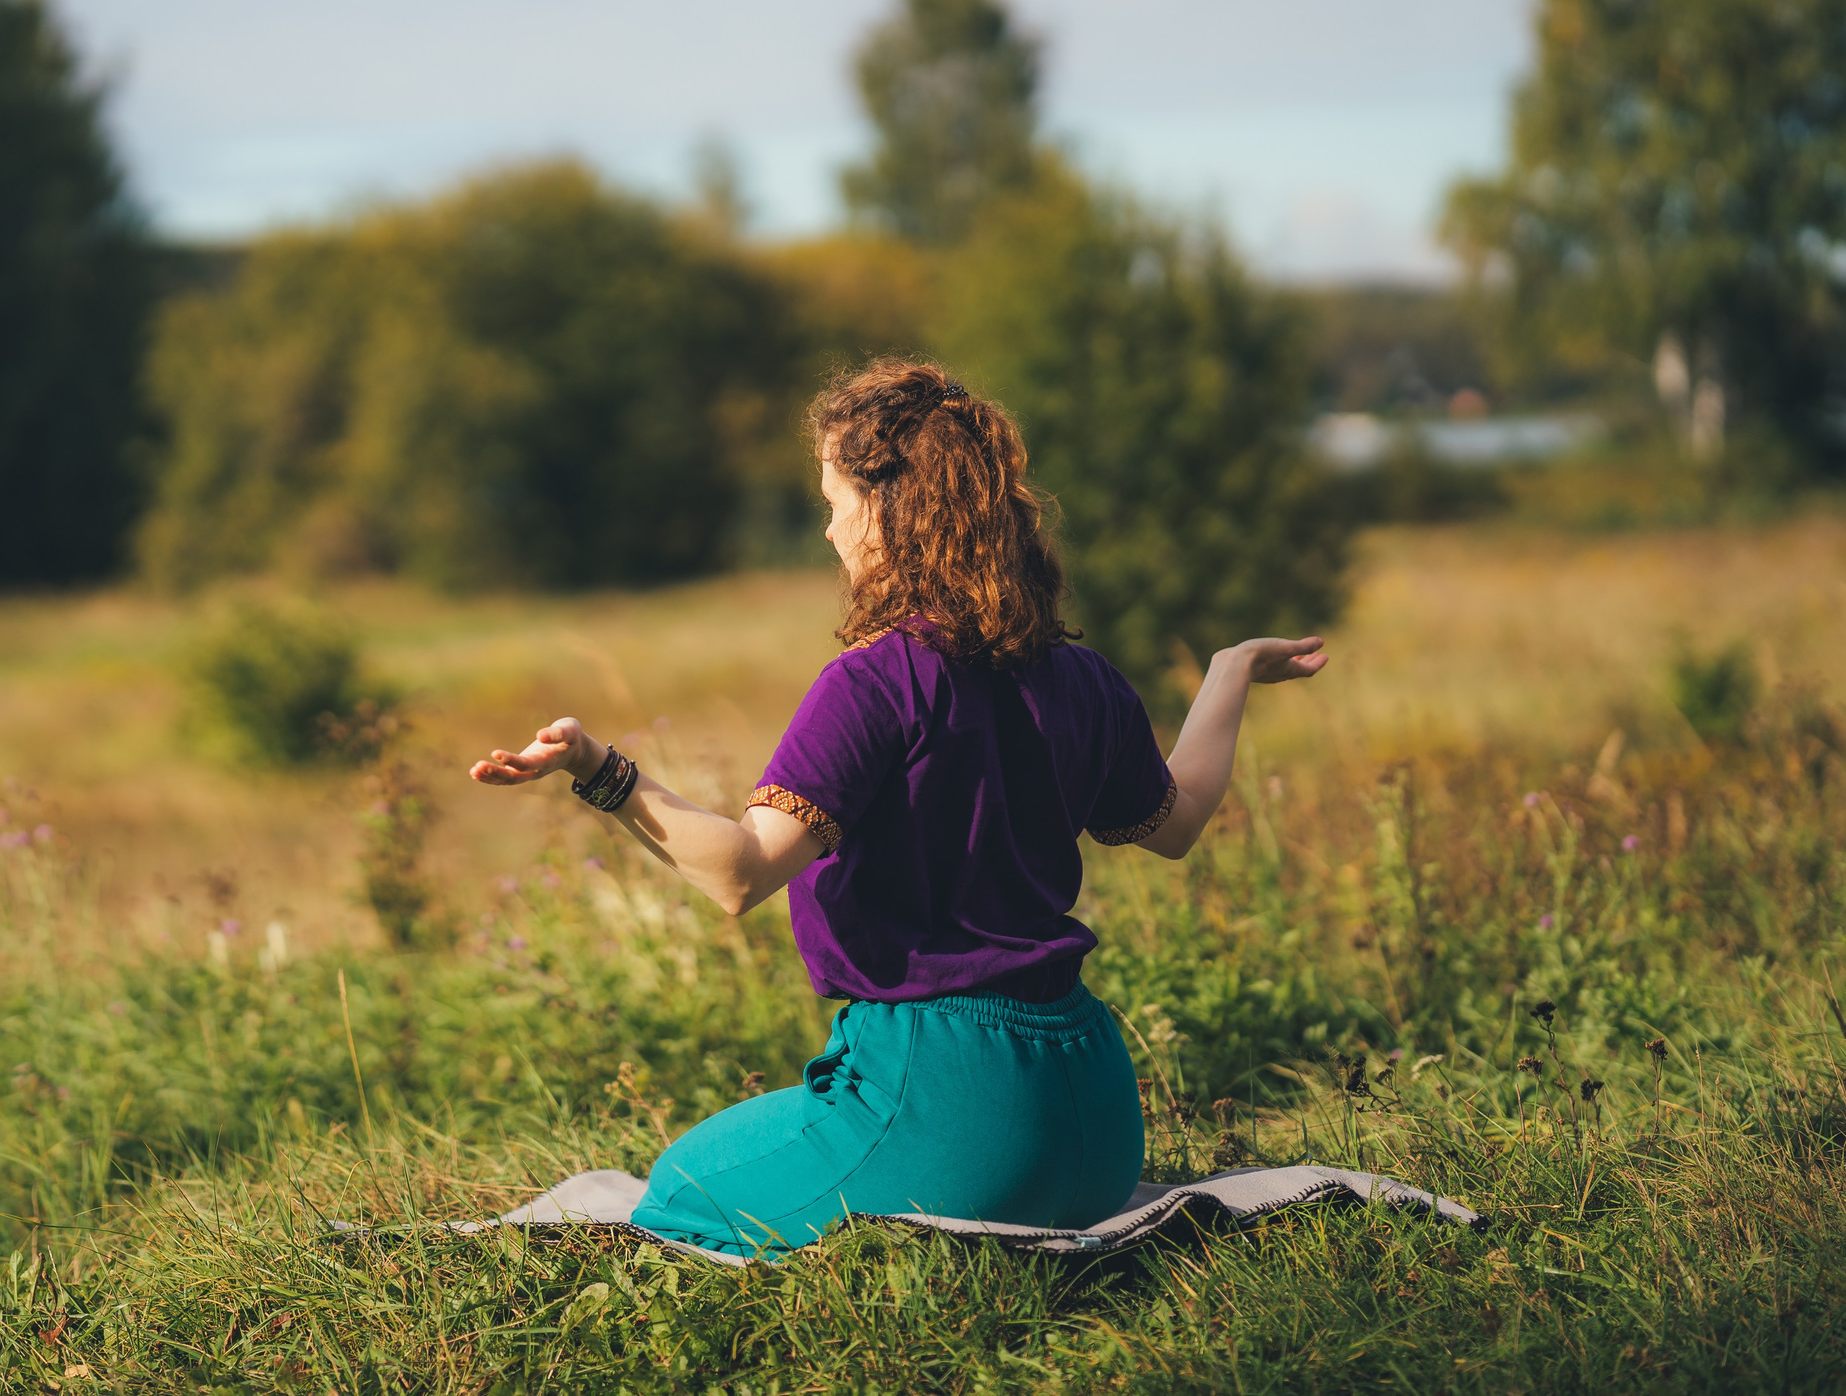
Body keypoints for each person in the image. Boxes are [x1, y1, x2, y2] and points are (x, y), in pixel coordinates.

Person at [468, 356, 1326, 1258]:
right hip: (1098, 1120)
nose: (832, 527)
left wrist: (600, 767)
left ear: (891, 508)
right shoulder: (1081, 675)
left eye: (836, 499)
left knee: (681, 1187)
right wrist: (1229, 671)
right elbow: (1179, 820)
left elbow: (740, 872)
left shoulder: (876, 680)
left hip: (953, 1101)